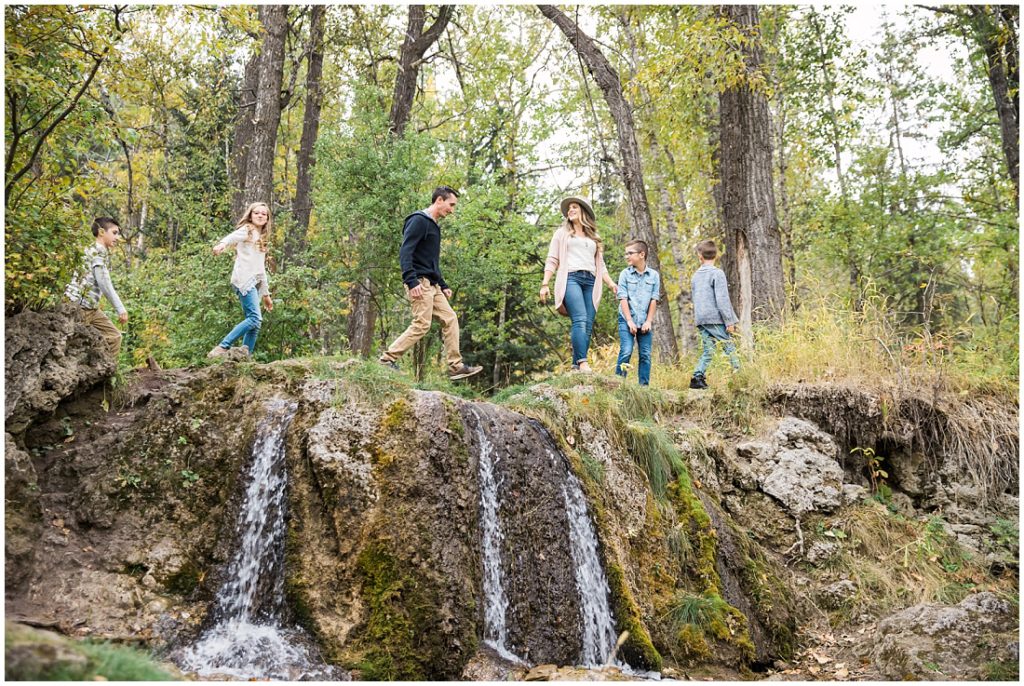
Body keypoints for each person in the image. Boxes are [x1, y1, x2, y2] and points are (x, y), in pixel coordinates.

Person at [378, 186, 482, 380]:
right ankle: (387, 359)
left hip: (432, 285)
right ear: (439, 200)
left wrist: (442, 284)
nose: (452, 210)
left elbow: (430, 260)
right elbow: (405, 252)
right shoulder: (418, 220)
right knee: (422, 324)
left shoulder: (433, 225)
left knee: (450, 319)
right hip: (419, 283)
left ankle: (455, 366)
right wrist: (411, 281)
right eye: (451, 205)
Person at [539, 197, 619, 373]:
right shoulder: (562, 234)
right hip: (571, 279)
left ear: (583, 211)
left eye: (574, 207)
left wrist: (612, 284)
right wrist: (545, 283)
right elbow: (552, 259)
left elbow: (601, 265)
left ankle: (576, 366)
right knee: (580, 319)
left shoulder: (594, 238)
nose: (570, 210)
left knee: (588, 325)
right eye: (569, 209)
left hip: (591, 281)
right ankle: (583, 362)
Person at [208, 202, 274, 358]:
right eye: (256, 213)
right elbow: (232, 237)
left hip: (254, 282)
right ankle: (222, 347)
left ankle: (245, 355)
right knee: (254, 318)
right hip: (243, 279)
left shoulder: (261, 238)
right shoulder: (247, 231)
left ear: (267, 218)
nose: (260, 215)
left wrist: (266, 295)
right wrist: (221, 245)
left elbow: (261, 269)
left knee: (255, 323)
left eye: (263, 214)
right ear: (250, 215)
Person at [65, 217, 129, 356]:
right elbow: (104, 283)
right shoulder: (97, 252)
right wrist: (120, 308)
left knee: (114, 336)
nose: (117, 238)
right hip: (80, 307)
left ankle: (106, 373)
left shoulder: (95, 250)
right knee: (73, 348)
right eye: (114, 233)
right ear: (101, 232)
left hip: (91, 308)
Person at [690, 239, 740, 389]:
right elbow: (722, 299)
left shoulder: (695, 276)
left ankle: (697, 377)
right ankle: (740, 374)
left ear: (700, 256)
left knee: (708, 350)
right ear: (717, 255)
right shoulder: (717, 274)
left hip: (701, 319)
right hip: (715, 318)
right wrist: (729, 321)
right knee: (728, 345)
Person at [615, 240, 660, 386]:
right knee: (626, 351)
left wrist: (648, 321)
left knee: (645, 355)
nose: (626, 256)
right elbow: (623, 298)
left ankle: (643, 388)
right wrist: (629, 321)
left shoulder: (653, 276)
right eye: (625, 253)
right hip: (626, 319)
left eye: (630, 253)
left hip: (644, 321)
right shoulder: (625, 274)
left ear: (642, 254)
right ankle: (619, 384)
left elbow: (654, 299)